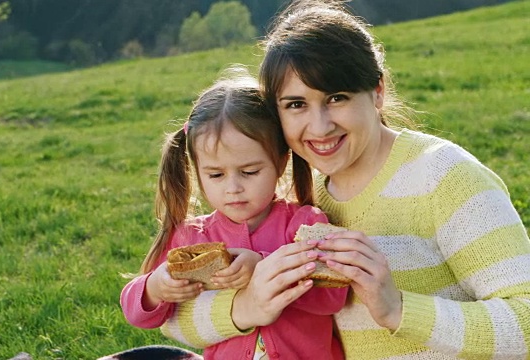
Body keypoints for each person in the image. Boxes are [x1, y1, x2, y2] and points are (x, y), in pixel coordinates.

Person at [161, 0, 530, 359]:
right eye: (296, 104)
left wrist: (398, 309)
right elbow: (174, 322)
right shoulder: (304, 204)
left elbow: (526, 321)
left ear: (378, 91)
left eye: (336, 97)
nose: (319, 126)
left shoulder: (444, 176)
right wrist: (247, 306)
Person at [119, 70, 348, 360]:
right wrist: (155, 287)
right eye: (215, 175)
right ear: (197, 171)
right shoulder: (192, 238)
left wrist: (263, 267)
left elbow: (334, 296)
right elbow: (138, 314)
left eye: (250, 172)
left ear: (280, 162)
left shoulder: (304, 223)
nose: (233, 188)